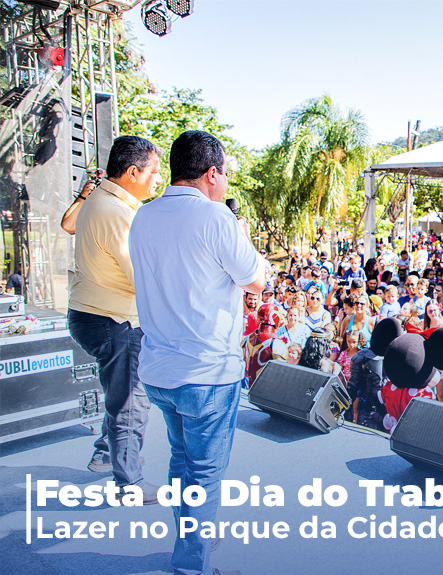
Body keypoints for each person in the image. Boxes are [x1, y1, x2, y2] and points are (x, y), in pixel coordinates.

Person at [129, 130, 268, 575]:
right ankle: (192, 563)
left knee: (181, 459)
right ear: (211, 173)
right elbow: (256, 278)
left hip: (159, 369)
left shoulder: (143, 216)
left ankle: (194, 536)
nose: (224, 184)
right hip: (206, 373)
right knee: (205, 472)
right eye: (224, 175)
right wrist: (242, 235)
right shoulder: (216, 217)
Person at [67, 135, 162, 493]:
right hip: (114, 320)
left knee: (119, 393)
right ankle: (129, 483)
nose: (158, 179)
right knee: (130, 403)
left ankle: (107, 454)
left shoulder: (100, 199)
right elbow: (143, 278)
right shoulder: (117, 213)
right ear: (133, 172)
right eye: (154, 172)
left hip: (94, 313)